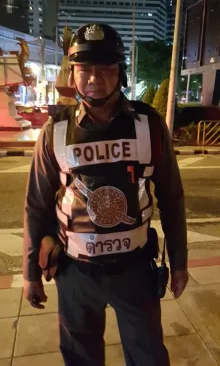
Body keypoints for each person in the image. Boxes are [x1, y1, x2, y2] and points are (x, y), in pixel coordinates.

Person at [23, 23, 188, 366]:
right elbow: (36, 205)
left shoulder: (149, 125)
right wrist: (29, 273)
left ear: (121, 73)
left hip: (135, 270)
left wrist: (180, 262)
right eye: (84, 69)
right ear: (73, 73)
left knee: (149, 358)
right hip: (75, 273)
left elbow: (172, 197)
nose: (94, 78)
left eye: (105, 69)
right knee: (80, 358)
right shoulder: (55, 132)